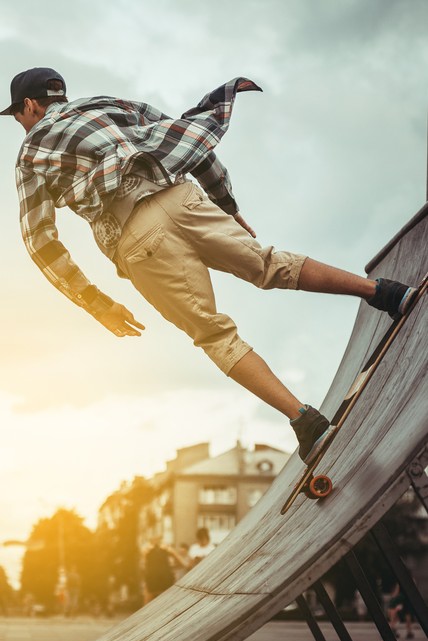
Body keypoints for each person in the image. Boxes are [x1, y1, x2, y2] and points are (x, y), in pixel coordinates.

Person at [2, 68, 419, 464]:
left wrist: (94, 302)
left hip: (136, 239)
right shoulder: (109, 104)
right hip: (181, 198)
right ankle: (386, 293)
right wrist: (226, 205)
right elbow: (188, 143)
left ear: (30, 107)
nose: (21, 124)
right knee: (269, 263)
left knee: (214, 334)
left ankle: (307, 421)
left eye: (17, 115)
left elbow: (40, 241)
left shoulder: (31, 153)